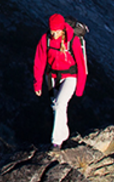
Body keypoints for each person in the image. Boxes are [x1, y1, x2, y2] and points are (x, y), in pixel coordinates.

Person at [34, 14, 87, 149]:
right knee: (57, 107)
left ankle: (56, 142)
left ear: (62, 29)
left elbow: (81, 64)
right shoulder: (45, 39)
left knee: (59, 104)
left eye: (56, 31)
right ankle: (64, 135)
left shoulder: (73, 40)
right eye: (52, 31)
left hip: (70, 76)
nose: (53, 34)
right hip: (52, 77)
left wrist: (80, 88)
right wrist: (37, 83)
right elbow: (39, 62)